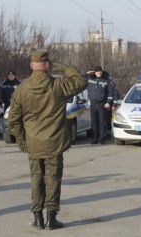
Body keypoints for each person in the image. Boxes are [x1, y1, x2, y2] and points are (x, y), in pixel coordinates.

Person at [8, 51, 88, 230]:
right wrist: (66, 68)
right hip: (55, 141)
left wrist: (22, 140)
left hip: (33, 142)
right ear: (47, 65)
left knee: (36, 177)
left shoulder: (21, 89)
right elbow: (82, 82)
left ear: (31, 66)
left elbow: (13, 119)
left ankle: (38, 218)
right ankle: (51, 218)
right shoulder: (58, 85)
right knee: (53, 178)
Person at [86, 66, 114, 144]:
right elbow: (81, 77)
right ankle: (95, 138)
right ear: (94, 72)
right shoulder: (90, 79)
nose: (99, 73)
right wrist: (87, 73)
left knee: (103, 122)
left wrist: (108, 102)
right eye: (98, 71)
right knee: (94, 122)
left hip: (102, 104)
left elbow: (110, 92)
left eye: (100, 71)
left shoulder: (106, 80)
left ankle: (102, 138)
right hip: (93, 104)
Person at [103, 71, 120, 140]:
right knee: (104, 119)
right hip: (103, 104)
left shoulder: (111, 83)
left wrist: (114, 105)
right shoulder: (109, 82)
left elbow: (116, 95)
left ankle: (108, 132)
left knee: (106, 119)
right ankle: (105, 132)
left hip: (108, 105)